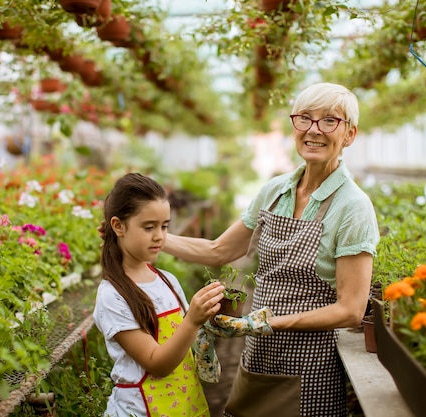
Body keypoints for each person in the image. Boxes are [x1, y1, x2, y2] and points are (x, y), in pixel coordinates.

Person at [161, 82, 381, 417]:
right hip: (259, 353)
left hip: (311, 365)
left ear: (350, 134)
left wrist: (269, 322)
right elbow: (220, 250)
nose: (314, 130)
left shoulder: (353, 207)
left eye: (329, 121)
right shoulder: (276, 191)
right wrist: (153, 240)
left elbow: (351, 310)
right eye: (304, 119)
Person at [92, 172, 227, 417]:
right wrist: (193, 319)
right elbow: (157, 363)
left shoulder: (166, 279)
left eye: (164, 226)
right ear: (118, 226)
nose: (160, 236)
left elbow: (187, 339)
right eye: (148, 227)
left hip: (184, 405)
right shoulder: (113, 295)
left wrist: (216, 317)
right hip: (140, 410)